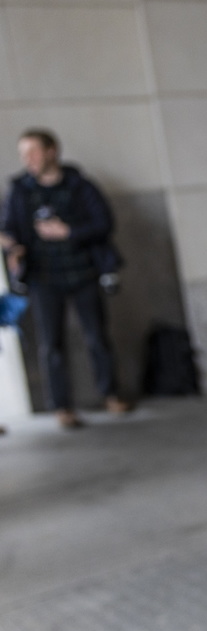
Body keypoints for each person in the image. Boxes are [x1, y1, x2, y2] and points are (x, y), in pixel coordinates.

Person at [1, 128, 130, 429]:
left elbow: (104, 223)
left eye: (33, 151)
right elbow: (8, 229)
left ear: (52, 151)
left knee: (97, 337)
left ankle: (110, 394)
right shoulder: (20, 191)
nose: (28, 159)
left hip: (84, 273)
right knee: (51, 344)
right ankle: (62, 407)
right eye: (23, 154)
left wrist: (68, 232)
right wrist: (13, 248)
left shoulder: (79, 185)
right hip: (43, 278)